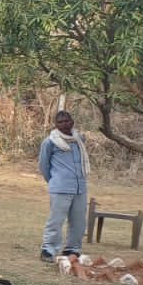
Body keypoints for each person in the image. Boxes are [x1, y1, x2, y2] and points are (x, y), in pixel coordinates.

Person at [38, 110, 89, 262]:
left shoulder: (78, 139)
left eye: (66, 121)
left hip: (80, 187)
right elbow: (43, 165)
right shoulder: (50, 142)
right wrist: (55, 181)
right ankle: (48, 250)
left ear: (72, 122)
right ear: (55, 125)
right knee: (56, 221)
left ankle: (72, 249)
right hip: (60, 188)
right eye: (60, 122)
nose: (64, 125)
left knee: (78, 222)